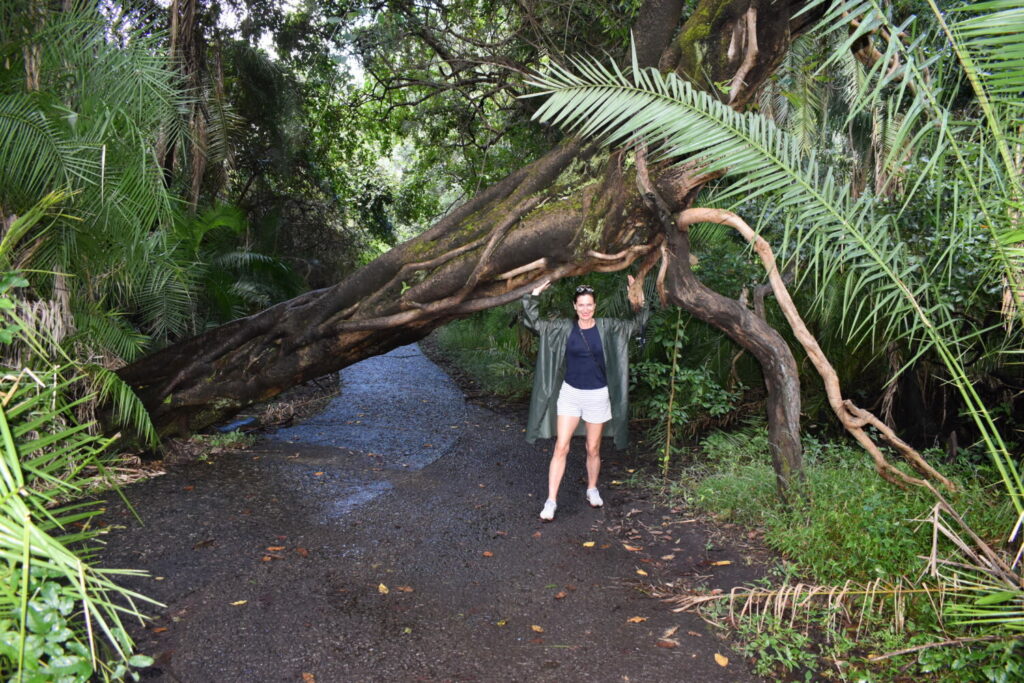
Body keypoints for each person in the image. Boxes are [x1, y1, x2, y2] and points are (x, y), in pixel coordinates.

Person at [522, 276, 649, 521]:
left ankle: (592, 488)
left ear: (595, 306)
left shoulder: (609, 327)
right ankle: (551, 501)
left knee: (593, 448)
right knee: (561, 446)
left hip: (598, 396)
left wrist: (638, 297)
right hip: (570, 394)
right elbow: (535, 323)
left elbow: (638, 323)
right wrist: (534, 295)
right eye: (581, 305)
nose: (585, 309)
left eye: (589, 304)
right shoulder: (562, 328)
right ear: (574, 307)